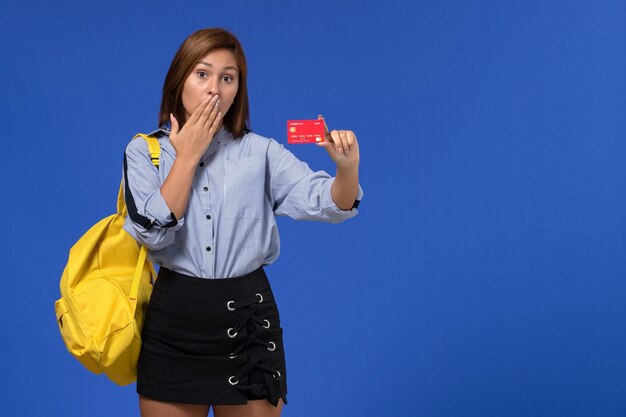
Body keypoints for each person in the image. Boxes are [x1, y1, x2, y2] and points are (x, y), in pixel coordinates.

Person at [123, 28, 363, 417]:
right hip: (174, 324)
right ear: (179, 79)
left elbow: (329, 203)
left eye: (227, 77)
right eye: (202, 73)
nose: (214, 88)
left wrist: (347, 169)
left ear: (237, 89)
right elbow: (152, 230)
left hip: (248, 319)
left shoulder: (261, 152)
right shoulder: (143, 152)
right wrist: (186, 156)